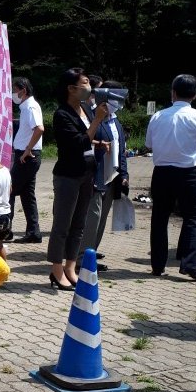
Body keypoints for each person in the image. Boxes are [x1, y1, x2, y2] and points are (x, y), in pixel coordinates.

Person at [47, 68, 109, 290]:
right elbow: (77, 143)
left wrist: (98, 142)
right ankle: (56, 271)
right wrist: (97, 121)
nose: (89, 87)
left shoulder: (85, 109)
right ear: (71, 88)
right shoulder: (62, 114)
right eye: (84, 83)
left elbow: (88, 140)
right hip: (68, 175)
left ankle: (70, 268)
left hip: (87, 172)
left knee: (79, 224)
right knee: (62, 225)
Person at [146, 74, 196, 281]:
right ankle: (189, 264)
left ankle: (157, 265)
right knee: (194, 217)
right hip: (188, 172)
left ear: (173, 92)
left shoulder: (158, 116)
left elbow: (149, 145)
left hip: (161, 172)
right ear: (195, 95)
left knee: (160, 217)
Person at [78, 80, 130, 270]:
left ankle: (90, 257)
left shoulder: (115, 121)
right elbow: (84, 141)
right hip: (95, 175)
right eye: (114, 99)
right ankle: (81, 258)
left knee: (101, 219)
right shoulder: (91, 118)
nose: (117, 104)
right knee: (92, 218)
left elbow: (121, 150)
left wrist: (124, 174)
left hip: (112, 178)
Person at [9, 77, 44, 243]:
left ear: (23, 90)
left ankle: (5, 229)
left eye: (14, 90)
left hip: (27, 156)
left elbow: (39, 128)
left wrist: (27, 150)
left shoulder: (30, 106)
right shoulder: (27, 107)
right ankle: (33, 231)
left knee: (9, 189)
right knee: (27, 194)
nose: (13, 94)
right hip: (27, 154)